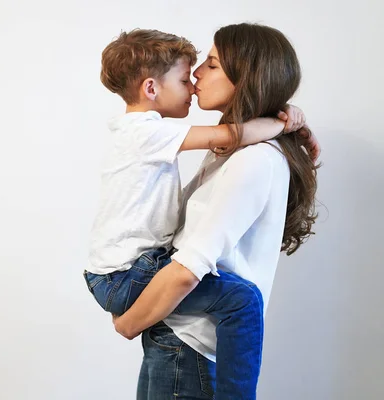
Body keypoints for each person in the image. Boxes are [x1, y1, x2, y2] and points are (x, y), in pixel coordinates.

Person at [83, 28, 317, 399]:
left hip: (188, 345)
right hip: (172, 331)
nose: (195, 78)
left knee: (243, 302)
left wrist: (129, 321)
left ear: (248, 77)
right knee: (242, 302)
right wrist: (288, 122)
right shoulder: (221, 151)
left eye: (210, 65)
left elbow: (188, 268)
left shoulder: (255, 159)